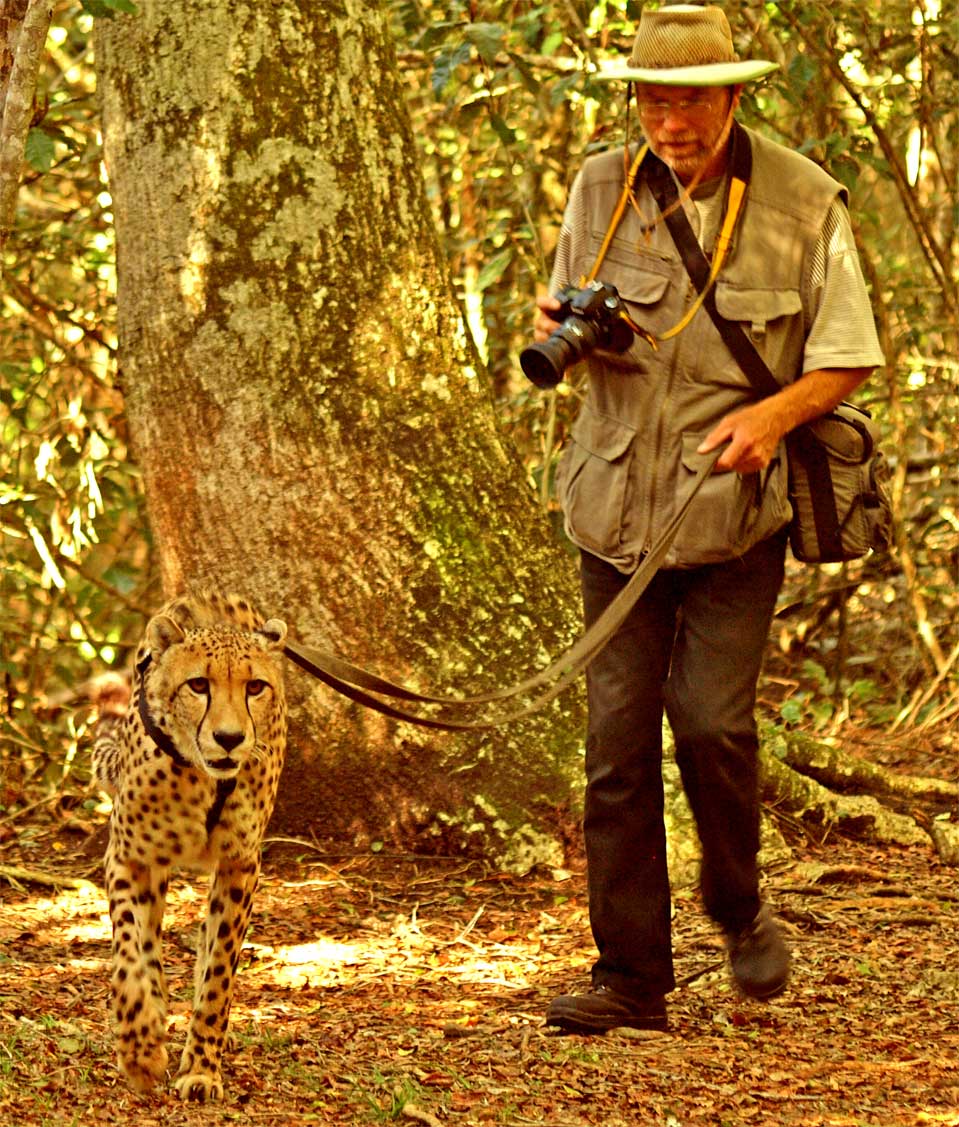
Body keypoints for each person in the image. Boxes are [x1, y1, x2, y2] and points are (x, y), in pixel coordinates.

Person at [534, 4, 884, 1034]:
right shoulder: (599, 184)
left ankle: (736, 908)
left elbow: (847, 352)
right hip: (611, 509)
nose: (668, 120)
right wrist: (559, 327)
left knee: (711, 723)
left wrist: (768, 419)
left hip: (731, 512)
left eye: (688, 98)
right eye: (650, 98)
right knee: (611, 742)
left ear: (733, 95)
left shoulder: (801, 199)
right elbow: (563, 310)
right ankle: (628, 975)